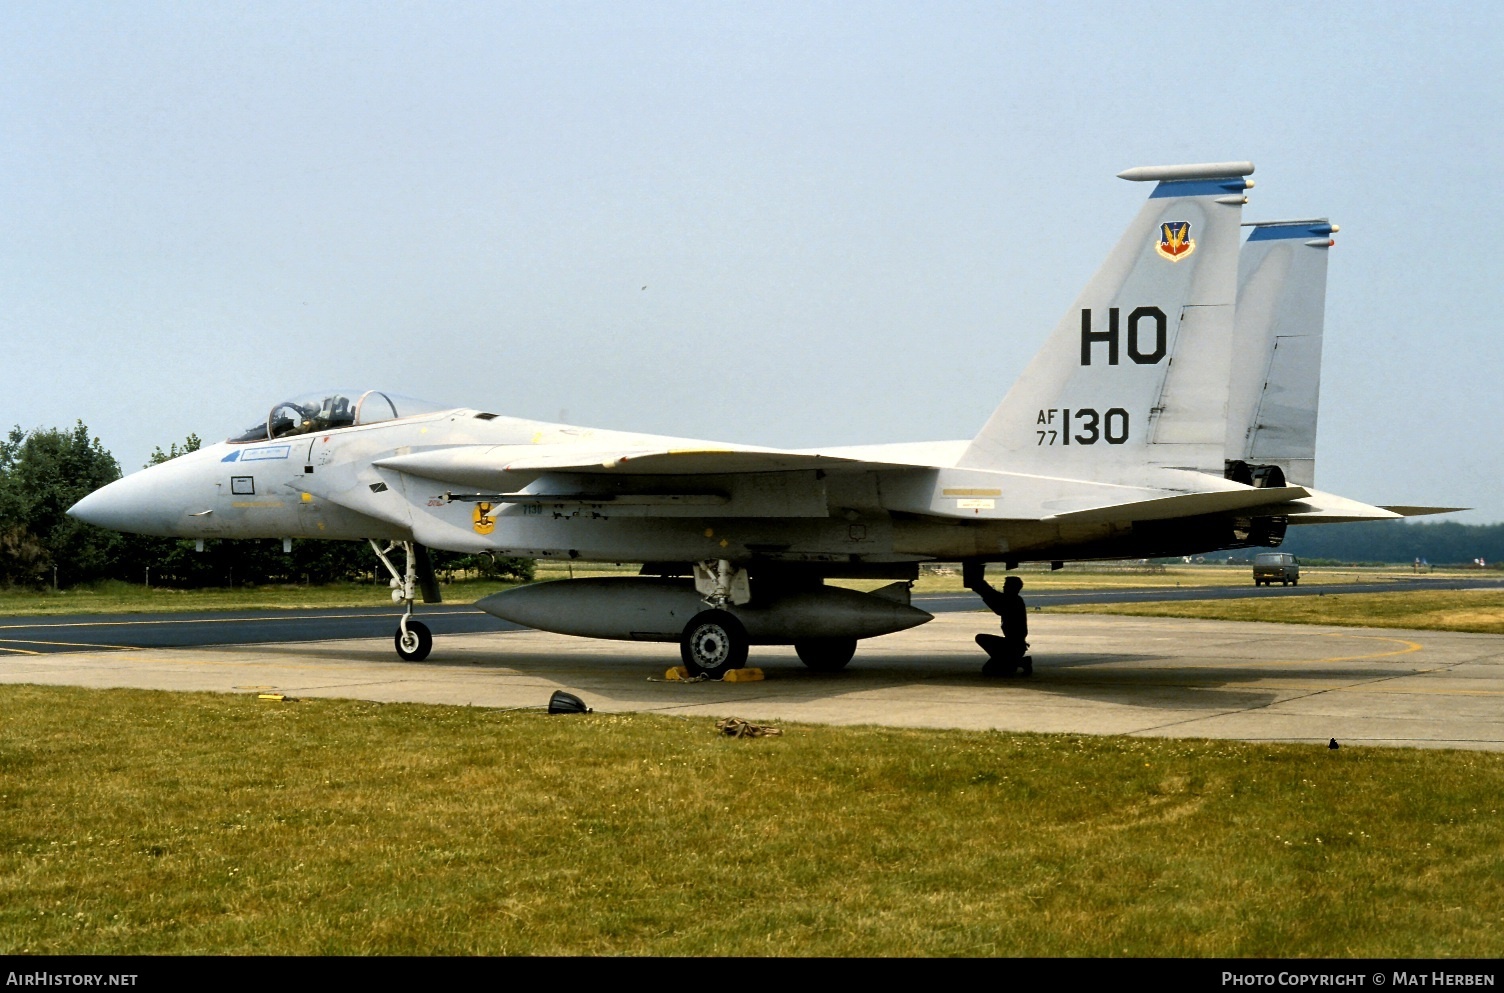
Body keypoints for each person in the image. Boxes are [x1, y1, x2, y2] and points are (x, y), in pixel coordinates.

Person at [963, 562, 1031, 676]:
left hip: (1014, 646)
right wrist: (981, 587)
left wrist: (981, 587)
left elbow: (998, 606)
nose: (1004, 587)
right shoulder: (1015, 600)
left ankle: (1018, 661)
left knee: (982, 640)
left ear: (1012, 588)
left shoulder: (1013, 601)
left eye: (1006, 585)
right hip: (1015, 645)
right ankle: (1014, 661)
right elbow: (995, 597)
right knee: (991, 669)